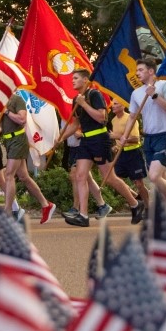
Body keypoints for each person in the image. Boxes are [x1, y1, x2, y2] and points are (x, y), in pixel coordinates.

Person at [58, 69, 145, 227]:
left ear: (85, 80)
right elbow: (77, 123)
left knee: (110, 178)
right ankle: (83, 215)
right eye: (72, 78)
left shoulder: (94, 95)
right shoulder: (75, 100)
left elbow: (102, 117)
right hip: (86, 141)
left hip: (99, 139)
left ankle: (135, 204)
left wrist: (84, 103)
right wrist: (61, 137)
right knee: (80, 175)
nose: (72, 81)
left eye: (76, 78)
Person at [120, 57, 166, 228]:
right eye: (137, 70)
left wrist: (155, 95)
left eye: (140, 70)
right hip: (149, 139)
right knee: (161, 179)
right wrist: (123, 137)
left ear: (151, 71)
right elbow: (133, 117)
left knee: (154, 176)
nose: (137, 73)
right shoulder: (136, 93)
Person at [0, 91, 56, 224]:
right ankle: (46, 204)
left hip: (18, 139)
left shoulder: (17, 100)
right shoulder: (0, 102)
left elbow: (22, 119)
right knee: (24, 177)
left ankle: (8, 212)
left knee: (9, 174)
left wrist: (7, 112)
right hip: (8, 141)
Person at [109, 99, 149, 208]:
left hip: (133, 153)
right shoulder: (113, 120)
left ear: (123, 106)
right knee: (116, 179)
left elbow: (136, 139)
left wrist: (116, 137)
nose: (113, 105)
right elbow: (118, 141)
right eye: (112, 104)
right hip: (121, 154)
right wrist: (115, 147)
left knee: (139, 183)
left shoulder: (131, 118)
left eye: (116, 103)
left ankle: (148, 207)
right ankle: (136, 198)